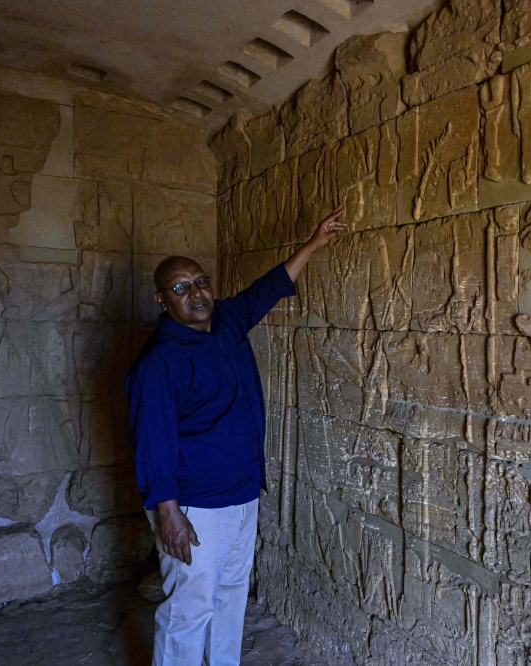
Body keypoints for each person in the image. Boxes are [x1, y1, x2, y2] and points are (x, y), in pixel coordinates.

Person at [125, 205, 347, 666]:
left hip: (242, 494)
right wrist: (169, 514)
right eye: (181, 289)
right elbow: (153, 442)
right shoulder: (159, 363)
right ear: (161, 300)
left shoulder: (225, 323)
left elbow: (265, 290)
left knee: (230, 597)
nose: (196, 294)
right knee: (189, 609)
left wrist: (313, 243)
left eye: (201, 282)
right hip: (194, 506)